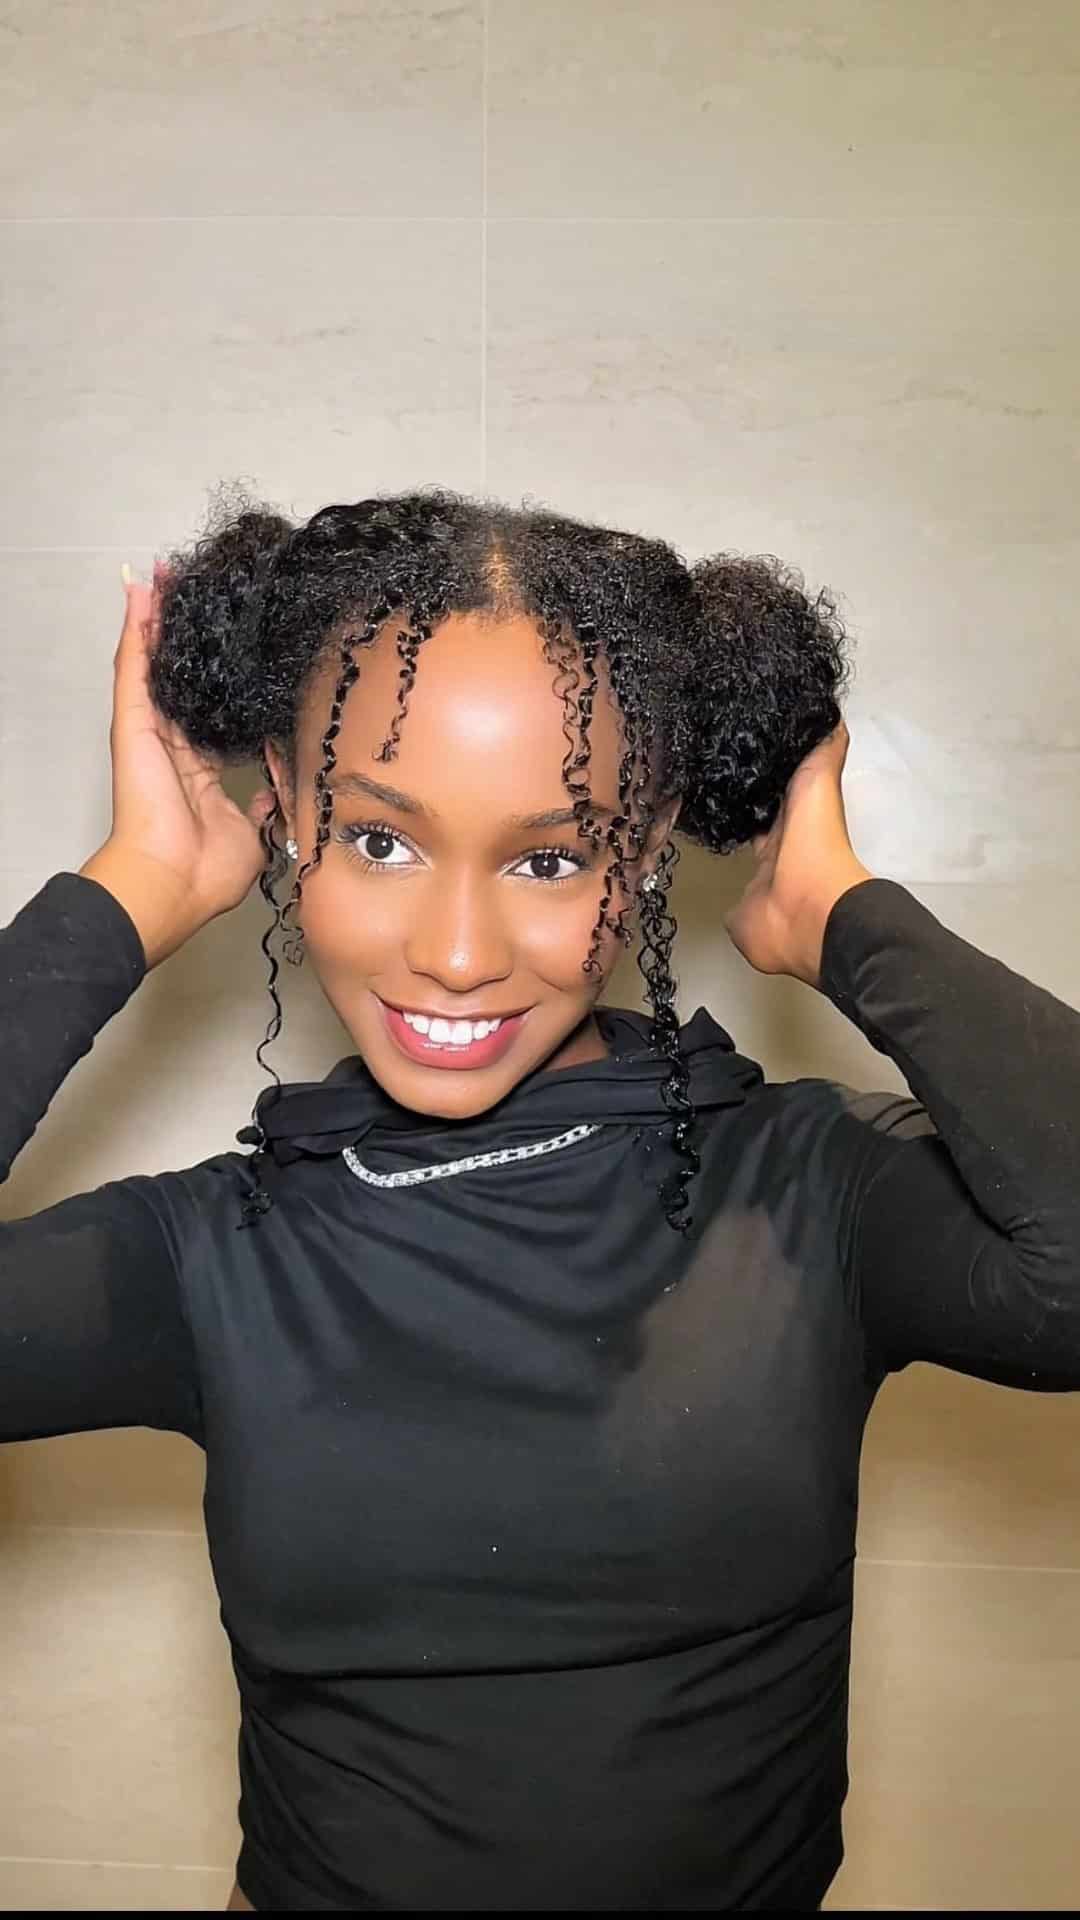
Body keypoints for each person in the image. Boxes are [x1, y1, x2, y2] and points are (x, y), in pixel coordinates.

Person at [2, 485, 1078, 1914]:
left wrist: (844, 916)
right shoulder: (216, 1257)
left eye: (552, 857)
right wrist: (127, 891)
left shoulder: (805, 1190)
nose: (456, 952)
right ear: (287, 814)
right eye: (378, 839)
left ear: (645, 853)